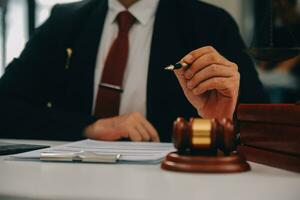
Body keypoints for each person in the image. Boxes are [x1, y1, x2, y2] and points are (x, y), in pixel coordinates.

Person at [0, 0, 269, 142]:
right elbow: (5, 108)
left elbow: (262, 128)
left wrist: (224, 120)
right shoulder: (64, 22)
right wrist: (88, 127)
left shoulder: (211, 23)